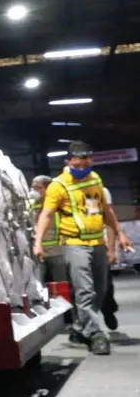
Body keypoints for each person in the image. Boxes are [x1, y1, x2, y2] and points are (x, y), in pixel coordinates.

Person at [33, 141, 132, 355]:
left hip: (97, 242)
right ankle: (96, 334)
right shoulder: (58, 186)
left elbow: (104, 210)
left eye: (85, 165)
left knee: (101, 290)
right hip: (74, 244)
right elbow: (47, 215)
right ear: (67, 162)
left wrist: (120, 233)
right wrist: (38, 241)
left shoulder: (95, 179)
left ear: (92, 161)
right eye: (76, 165)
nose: (81, 169)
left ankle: (79, 329)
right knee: (84, 291)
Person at [29, 175, 67, 283]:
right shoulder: (32, 205)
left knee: (60, 284)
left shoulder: (59, 204)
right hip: (39, 252)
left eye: (38, 188)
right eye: (33, 188)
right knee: (40, 284)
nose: (34, 191)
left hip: (57, 252)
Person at [101, 186, 119, 330]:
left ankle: (108, 309)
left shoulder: (101, 191)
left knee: (105, 284)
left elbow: (110, 222)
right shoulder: (61, 188)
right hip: (74, 246)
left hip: (100, 245)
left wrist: (112, 249)